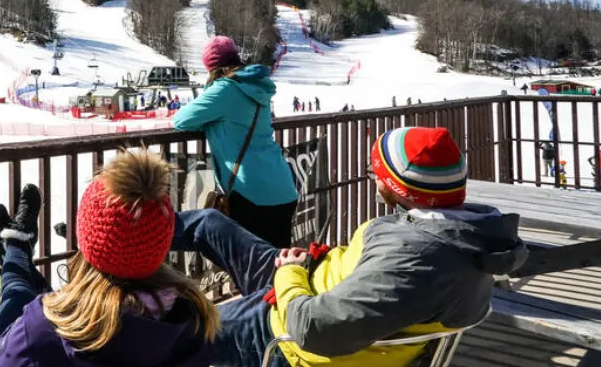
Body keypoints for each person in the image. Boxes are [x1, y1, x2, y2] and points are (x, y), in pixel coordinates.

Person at [172, 126, 527, 367]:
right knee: (209, 223)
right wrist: (315, 260)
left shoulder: (415, 260)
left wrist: (291, 274)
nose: (372, 178)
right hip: (306, 280)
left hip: (285, 329)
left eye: (377, 173)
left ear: (397, 189)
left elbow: (314, 330)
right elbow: (370, 277)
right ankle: (125, 238)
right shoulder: (468, 234)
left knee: (173, 333)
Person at [0, 153, 218, 366]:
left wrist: (30, 325)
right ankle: (17, 245)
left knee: (17, 292)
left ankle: (15, 245)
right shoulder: (192, 320)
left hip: (35, 336)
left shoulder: (38, 332)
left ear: (84, 236)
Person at [172, 36, 299, 247]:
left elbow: (181, 119)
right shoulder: (258, 88)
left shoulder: (224, 90)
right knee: (279, 267)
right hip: (283, 188)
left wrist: (209, 123)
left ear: (212, 67)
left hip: (251, 193)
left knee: (251, 271)